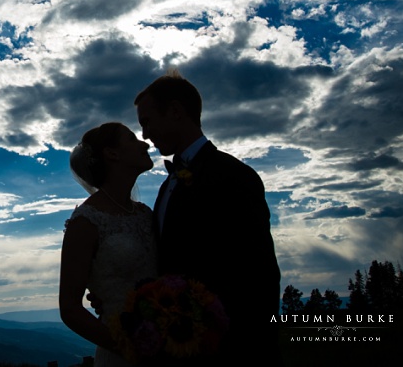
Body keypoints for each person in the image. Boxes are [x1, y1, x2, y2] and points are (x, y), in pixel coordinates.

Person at [135, 69, 281, 363]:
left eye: (148, 122)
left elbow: (261, 276)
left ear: (175, 111)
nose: (145, 134)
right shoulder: (167, 185)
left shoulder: (235, 176)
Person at [59, 122, 157, 367]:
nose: (144, 143)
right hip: (122, 355)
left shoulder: (145, 214)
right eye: (132, 139)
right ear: (112, 153)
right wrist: (131, 348)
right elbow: (70, 308)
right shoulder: (86, 221)